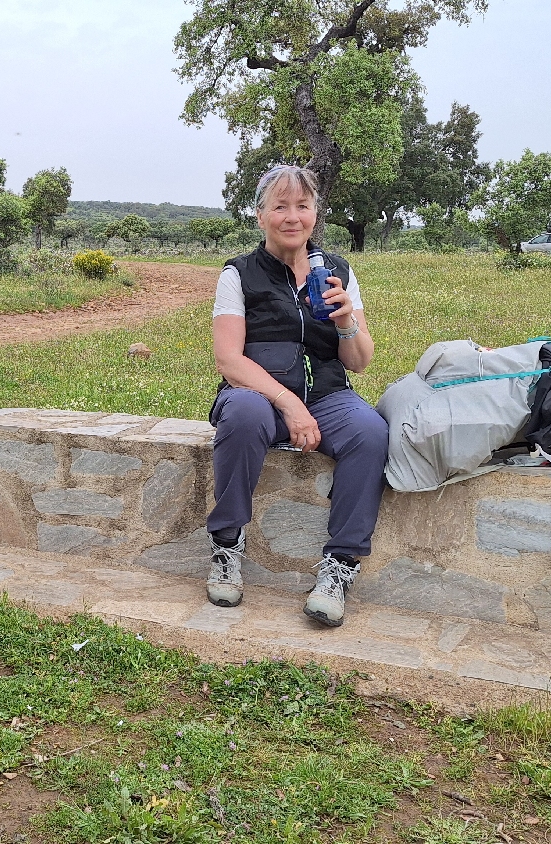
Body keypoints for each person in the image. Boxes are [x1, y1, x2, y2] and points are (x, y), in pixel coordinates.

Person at [204, 164, 388, 627]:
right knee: (243, 415)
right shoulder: (239, 274)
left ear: (315, 213)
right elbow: (229, 360)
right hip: (259, 394)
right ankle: (227, 546)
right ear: (260, 215)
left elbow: (360, 362)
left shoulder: (337, 272)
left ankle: (339, 568)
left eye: (302, 206)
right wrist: (289, 404)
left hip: (326, 392)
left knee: (369, 432)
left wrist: (347, 322)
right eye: (280, 206)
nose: (292, 217)